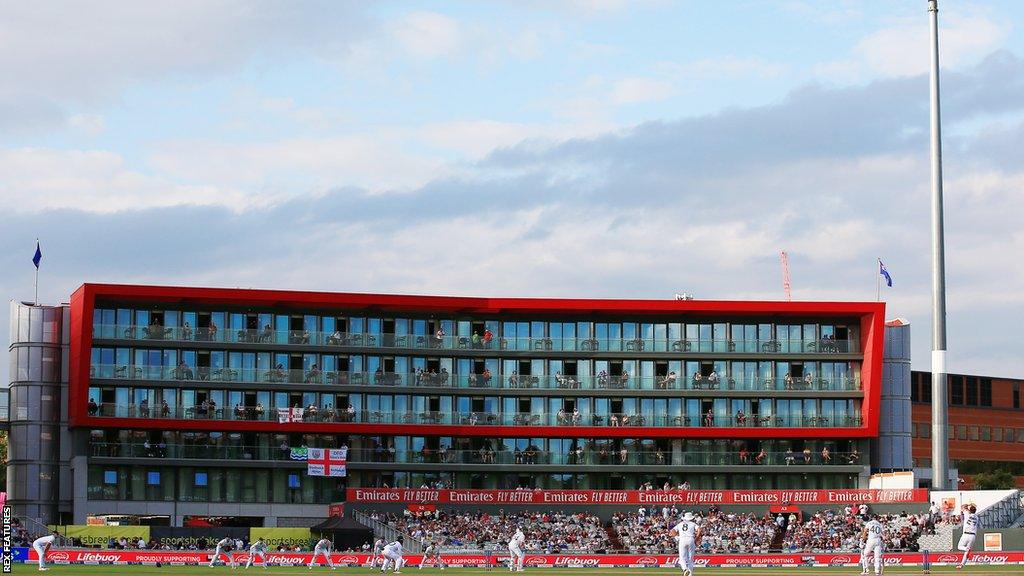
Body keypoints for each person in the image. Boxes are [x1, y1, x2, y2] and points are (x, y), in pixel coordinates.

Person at [669, 512, 701, 576]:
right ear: (691, 518)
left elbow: (672, 531)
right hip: (691, 539)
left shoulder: (680, 524)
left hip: (682, 540)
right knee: (690, 559)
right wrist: (696, 538)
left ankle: (685, 570)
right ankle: (690, 574)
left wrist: (676, 537)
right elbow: (699, 530)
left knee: (682, 558)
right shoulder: (693, 524)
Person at [957, 503, 978, 569]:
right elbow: (971, 510)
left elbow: (962, 507)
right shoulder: (977, 517)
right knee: (967, 552)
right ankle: (962, 564)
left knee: (960, 547)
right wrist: (970, 506)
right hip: (973, 536)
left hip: (966, 534)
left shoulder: (967, 514)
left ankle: (967, 549)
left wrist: (967, 505)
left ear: (969, 510)